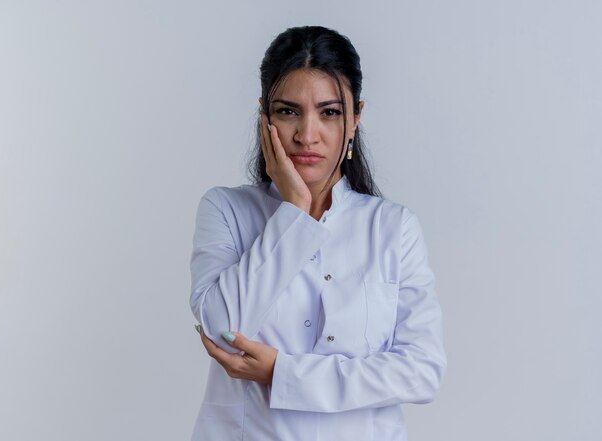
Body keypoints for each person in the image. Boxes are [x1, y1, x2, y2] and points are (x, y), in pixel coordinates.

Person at [189, 25, 446, 441]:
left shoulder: (393, 228)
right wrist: (294, 210)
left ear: (355, 118)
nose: (306, 135)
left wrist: (284, 373)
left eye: (329, 112)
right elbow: (222, 329)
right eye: (288, 111)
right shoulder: (226, 210)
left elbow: (422, 372)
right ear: (264, 116)